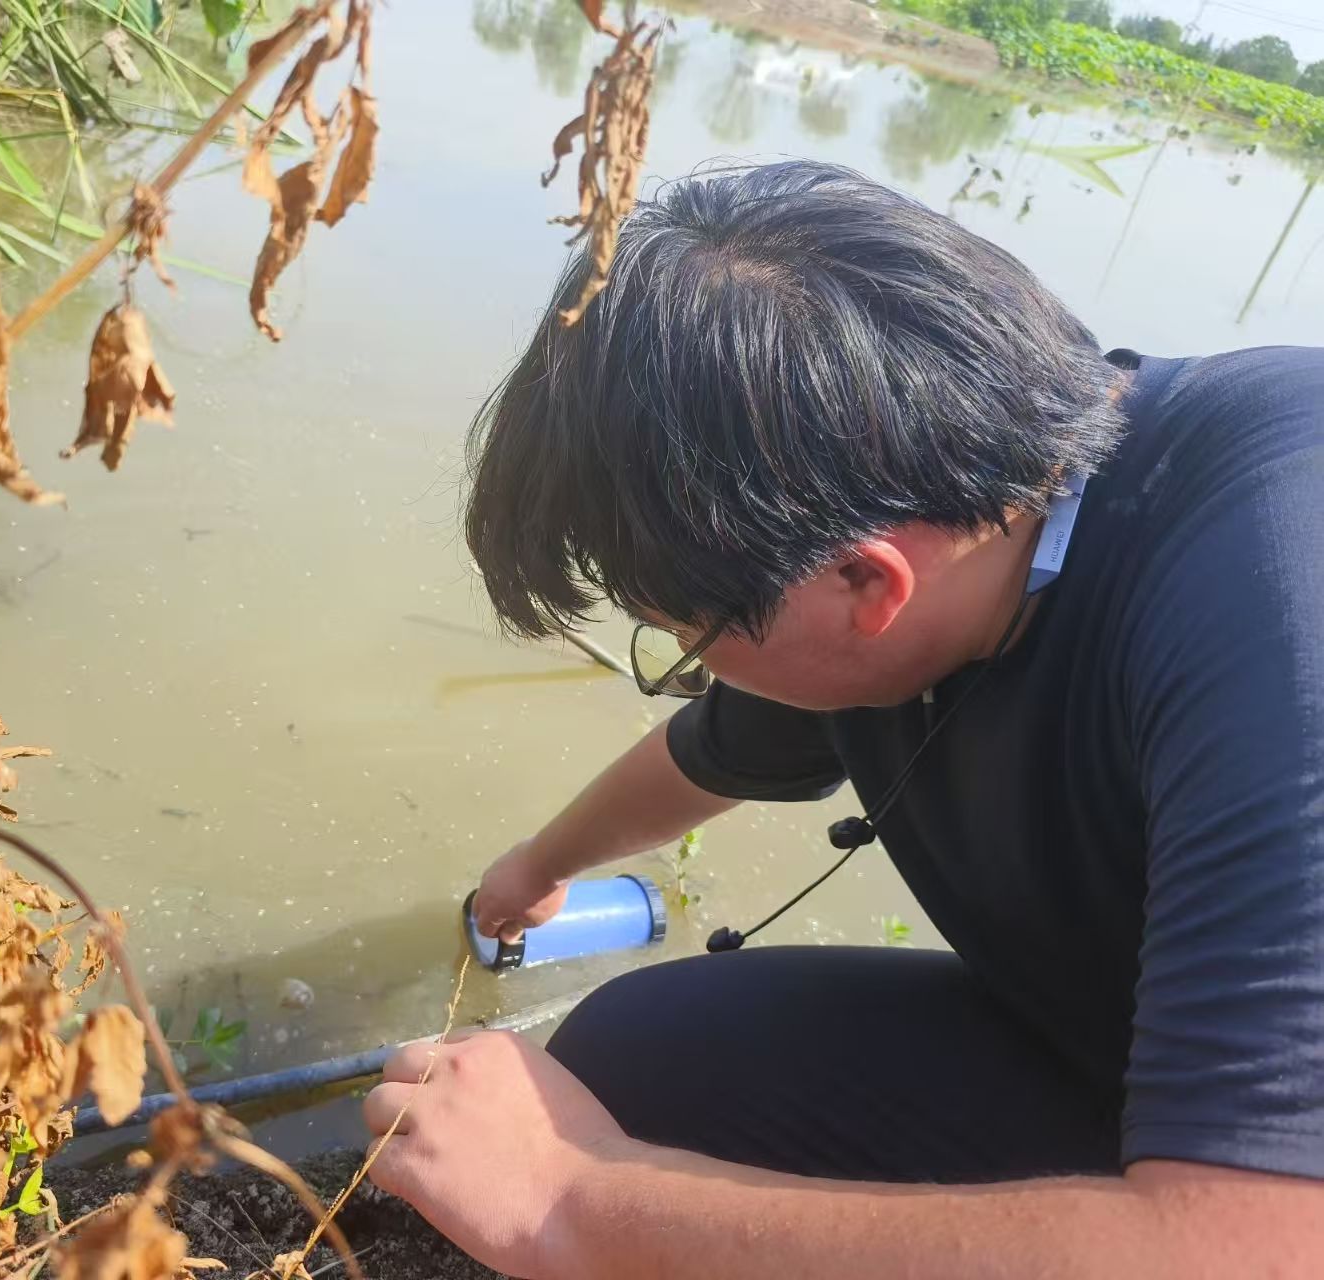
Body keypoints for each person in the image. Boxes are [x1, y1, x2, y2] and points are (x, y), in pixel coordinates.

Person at [358, 161, 1324, 1278]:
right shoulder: (950, 525)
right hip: (1107, 1058)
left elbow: (1256, 1249)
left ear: (866, 584)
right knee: (639, 1065)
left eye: (682, 637)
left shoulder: (1276, 603)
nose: (695, 670)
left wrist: (573, 1203)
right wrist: (538, 866)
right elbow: (714, 752)